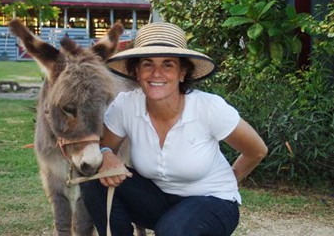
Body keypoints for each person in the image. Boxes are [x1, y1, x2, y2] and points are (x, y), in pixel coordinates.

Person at [80, 22, 268, 236]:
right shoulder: (126, 105)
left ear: (182, 73)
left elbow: (257, 150)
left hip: (212, 202)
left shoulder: (208, 108)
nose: (156, 73)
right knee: (95, 180)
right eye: (147, 64)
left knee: (172, 230)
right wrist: (106, 155)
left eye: (168, 64)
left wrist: (231, 180)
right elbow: (105, 147)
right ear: (137, 72)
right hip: (159, 200)